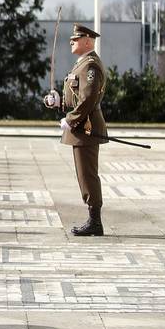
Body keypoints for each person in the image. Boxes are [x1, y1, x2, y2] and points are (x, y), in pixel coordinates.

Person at [44, 23, 108, 236]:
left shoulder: (91, 65)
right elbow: (77, 96)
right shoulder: (81, 64)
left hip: (86, 127)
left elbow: (89, 99)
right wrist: (59, 103)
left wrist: (70, 120)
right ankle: (93, 219)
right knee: (84, 173)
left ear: (88, 41)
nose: (72, 41)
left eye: (76, 38)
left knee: (87, 174)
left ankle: (95, 222)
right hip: (81, 126)